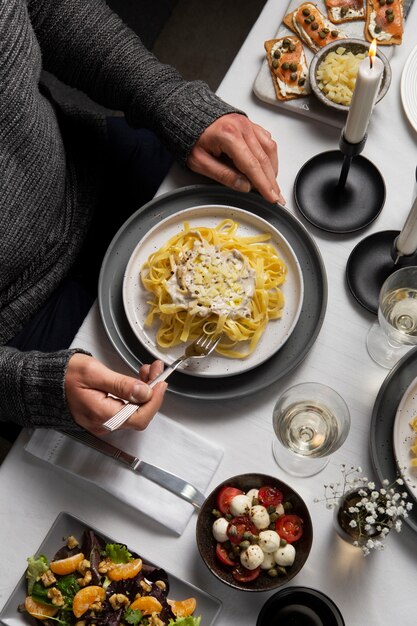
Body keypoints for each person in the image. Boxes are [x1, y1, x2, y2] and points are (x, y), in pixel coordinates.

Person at [0, 0, 283, 438]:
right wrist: (21, 385)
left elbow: (41, 7)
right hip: (18, 325)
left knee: (267, 205)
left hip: (87, 163)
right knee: (175, 430)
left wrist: (165, 97)